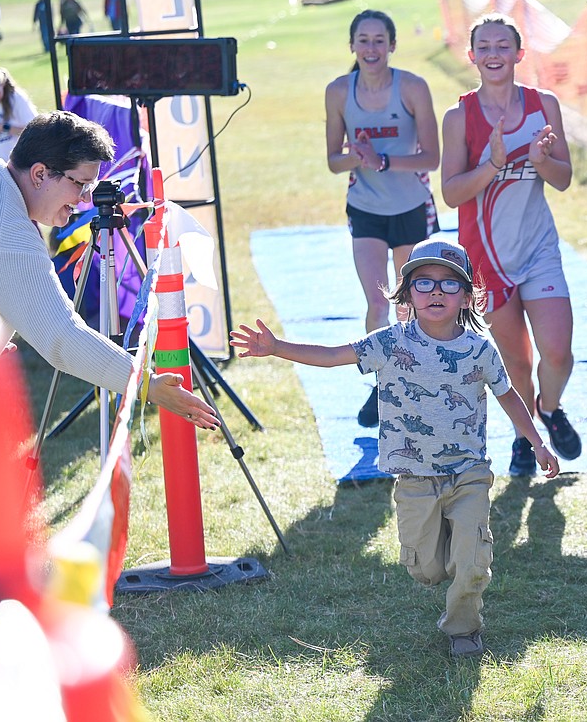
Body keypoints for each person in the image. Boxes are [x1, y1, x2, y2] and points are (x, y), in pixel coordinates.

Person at [229, 237, 558, 658]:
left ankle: (463, 628)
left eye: (448, 283)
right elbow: (333, 355)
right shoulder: (390, 343)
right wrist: (278, 348)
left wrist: (536, 442)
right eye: (424, 283)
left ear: (466, 296)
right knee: (425, 568)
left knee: (472, 561)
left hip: (468, 472)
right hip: (415, 476)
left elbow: (508, 394)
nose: (436, 292)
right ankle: (443, 556)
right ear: (406, 294)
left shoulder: (479, 349)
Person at [0, 111, 218, 428]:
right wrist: (147, 385)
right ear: (39, 174)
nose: (86, 199)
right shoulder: (7, 235)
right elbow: (63, 337)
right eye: (81, 184)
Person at [439, 14, 581, 475]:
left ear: (520, 54)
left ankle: (551, 408)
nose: (494, 54)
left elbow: (563, 180)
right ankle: (526, 439)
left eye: (504, 46)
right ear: (472, 56)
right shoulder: (459, 116)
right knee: (516, 363)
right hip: (487, 258)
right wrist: (493, 165)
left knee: (558, 352)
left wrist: (541, 162)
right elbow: (452, 193)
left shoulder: (544, 105)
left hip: (538, 247)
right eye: (485, 46)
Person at [324, 9, 440, 428]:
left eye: (378, 40)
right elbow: (333, 162)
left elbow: (433, 157)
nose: (370, 48)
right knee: (378, 302)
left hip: (412, 207)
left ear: (392, 46)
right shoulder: (339, 91)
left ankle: (414, 381)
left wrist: (383, 159)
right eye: (363, 40)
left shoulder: (412, 87)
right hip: (367, 210)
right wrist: (356, 157)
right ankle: (382, 386)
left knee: (411, 304)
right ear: (352, 45)